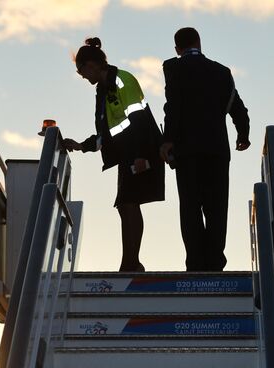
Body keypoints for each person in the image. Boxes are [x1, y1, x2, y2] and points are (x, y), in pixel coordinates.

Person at [63, 37, 165, 272]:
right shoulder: (102, 90)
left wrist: (141, 156)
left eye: (82, 71)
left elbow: (138, 119)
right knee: (125, 205)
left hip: (143, 152)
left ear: (92, 65)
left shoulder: (123, 80)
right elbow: (106, 134)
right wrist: (80, 145)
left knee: (128, 203)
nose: (83, 77)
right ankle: (130, 262)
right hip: (127, 155)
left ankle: (130, 263)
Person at [160, 27, 251, 272]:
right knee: (217, 208)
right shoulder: (221, 72)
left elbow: (174, 107)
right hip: (216, 150)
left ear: (177, 48)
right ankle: (215, 262)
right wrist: (243, 134)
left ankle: (195, 264)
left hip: (187, 151)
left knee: (190, 207)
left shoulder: (175, 69)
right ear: (199, 43)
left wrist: (168, 140)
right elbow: (237, 108)